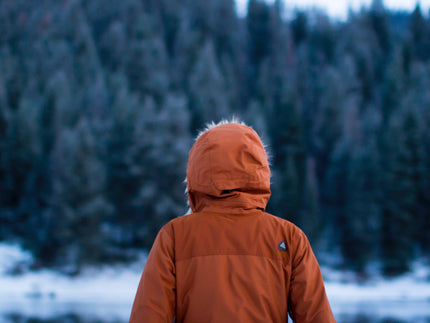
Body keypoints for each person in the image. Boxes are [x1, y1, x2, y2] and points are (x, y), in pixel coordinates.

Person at [129, 120, 336, 323]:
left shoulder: (174, 236)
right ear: (260, 171)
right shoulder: (289, 237)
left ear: (196, 172)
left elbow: (148, 316)